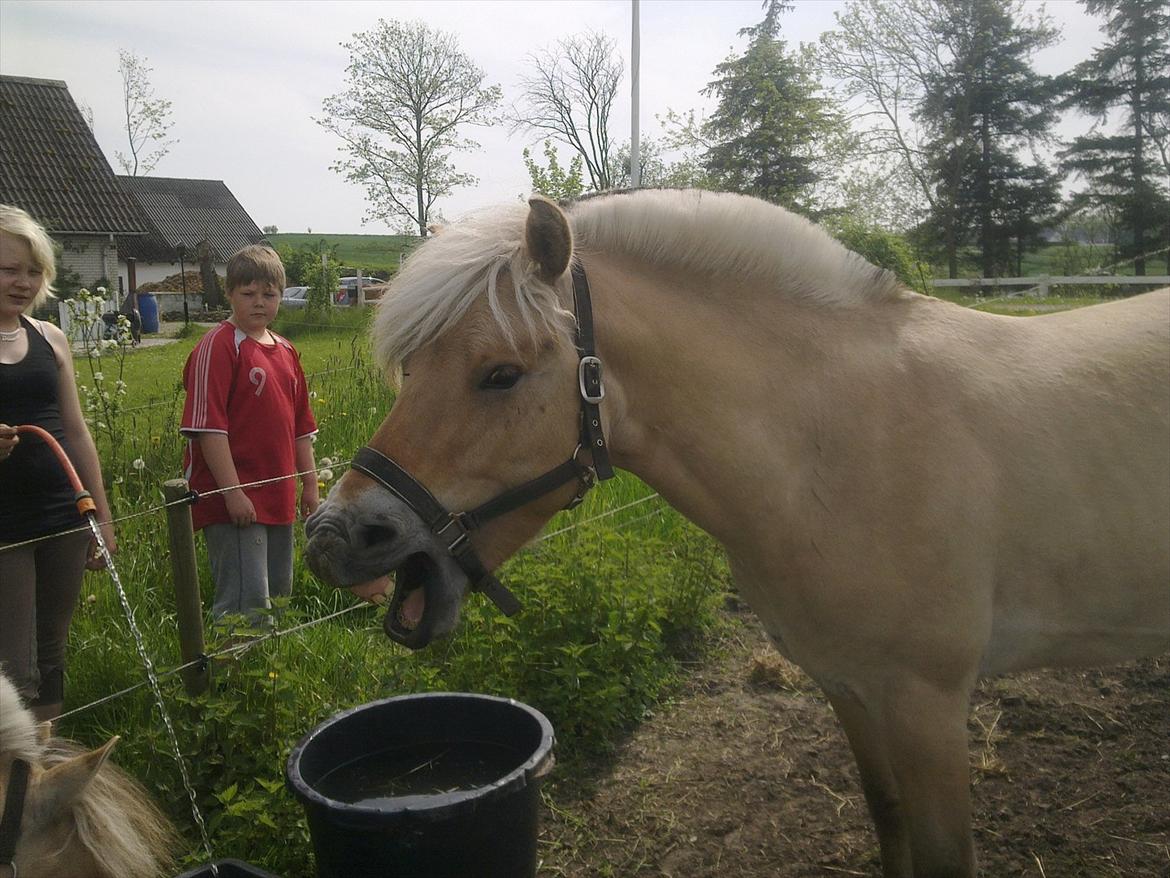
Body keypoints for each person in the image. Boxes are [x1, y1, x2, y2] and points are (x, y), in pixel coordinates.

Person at [0, 204, 116, 722]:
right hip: (6, 528)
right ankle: (14, 777)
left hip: (63, 515)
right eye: (8, 269)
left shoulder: (52, 338)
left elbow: (77, 430)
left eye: (33, 271)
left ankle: (45, 767)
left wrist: (101, 518)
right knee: (14, 666)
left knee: (51, 654)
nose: (22, 282)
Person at [180, 245, 319, 624]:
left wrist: (309, 485)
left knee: (277, 596)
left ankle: (268, 674)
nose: (259, 303)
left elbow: (300, 429)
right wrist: (232, 493)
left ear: (281, 296)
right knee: (244, 605)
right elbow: (210, 429)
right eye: (248, 293)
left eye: (269, 294)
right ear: (229, 294)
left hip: (278, 496)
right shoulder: (219, 346)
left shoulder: (287, 352)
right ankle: (233, 678)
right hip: (234, 499)